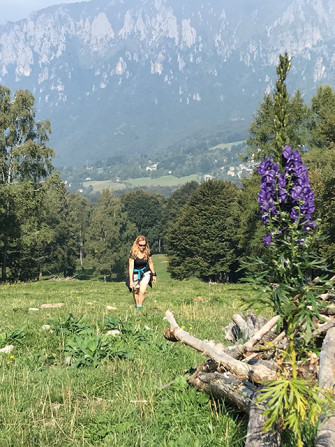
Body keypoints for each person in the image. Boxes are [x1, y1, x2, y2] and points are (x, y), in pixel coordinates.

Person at [128, 236, 156, 309]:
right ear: (137, 244)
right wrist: (131, 281)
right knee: (135, 290)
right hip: (135, 273)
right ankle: (137, 305)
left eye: (144, 245)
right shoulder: (133, 253)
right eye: (140, 245)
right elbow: (131, 267)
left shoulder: (147, 252)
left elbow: (150, 263)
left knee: (143, 291)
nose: (142, 247)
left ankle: (140, 307)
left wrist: (153, 274)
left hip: (145, 272)